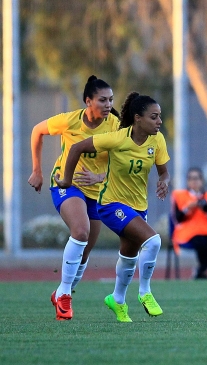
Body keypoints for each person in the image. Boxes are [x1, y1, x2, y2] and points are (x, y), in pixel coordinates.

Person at [54, 91, 170, 323]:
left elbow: (164, 172)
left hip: (138, 207)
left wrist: (164, 182)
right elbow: (76, 148)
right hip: (110, 205)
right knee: (154, 241)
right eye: (154, 117)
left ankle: (116, 300)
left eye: (159, 117)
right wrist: (66, 180)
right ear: (138, 118)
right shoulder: (117, 138)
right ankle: (145, 292)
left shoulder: (157, 140)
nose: (159, 122)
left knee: (129, 256)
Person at [28, 75, 121, 321]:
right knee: (80, 232)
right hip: (65, 185)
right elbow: (37, 131)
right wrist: (37, 170)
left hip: (96, 193)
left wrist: (99, 176)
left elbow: (120, 163)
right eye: (102, 100)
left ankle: (60, 291)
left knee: (85, 251)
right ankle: (66, 298)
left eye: (111, 100)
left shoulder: (115, 125)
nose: (108, 105)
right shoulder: (69, 121)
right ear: (88, 101)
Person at [171, 167, 207, 279]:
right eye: (191, 178)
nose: (194, 181)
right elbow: (178, 218)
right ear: (187, 181)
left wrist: (206, 208)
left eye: (196, 178)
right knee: (201, 242)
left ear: (202, 180)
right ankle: (203, 269)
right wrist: (187, 208)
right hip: (189, 230)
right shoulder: (180, 196)